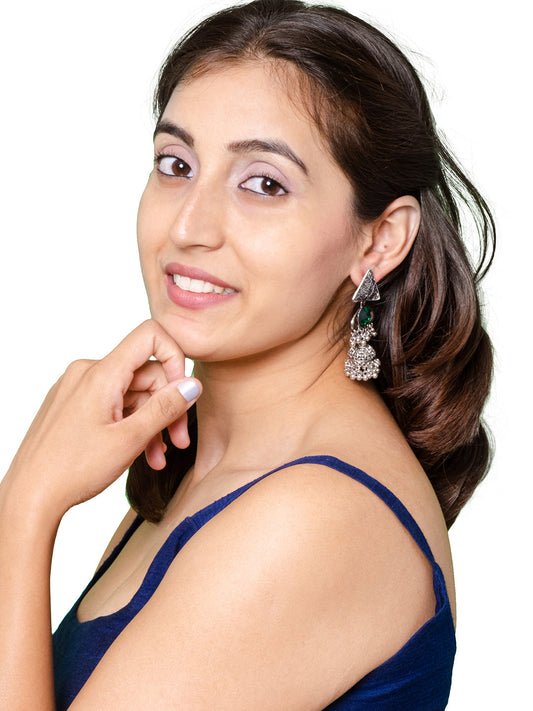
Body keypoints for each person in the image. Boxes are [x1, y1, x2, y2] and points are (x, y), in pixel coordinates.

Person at [0, 0, 495, 708]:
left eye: (263, 183)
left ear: (379, 240)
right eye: (175, 164)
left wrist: (24, 507)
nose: (189, 225)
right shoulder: (204, 472)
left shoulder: (312, 517)